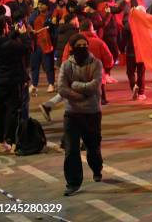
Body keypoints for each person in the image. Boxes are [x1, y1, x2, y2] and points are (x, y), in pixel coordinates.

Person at [57, 34, 104, 196]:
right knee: (71, 150)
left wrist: (75, 85)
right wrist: (80, 96)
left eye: (85, 45)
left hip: (92, 113)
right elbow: (62, 89)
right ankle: (73, 182)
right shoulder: (66, 65)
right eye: (79, 45)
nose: (83, 47)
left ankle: (97, 169)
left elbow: (95, 85)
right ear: (72, 48)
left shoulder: (96, 63)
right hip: (72, 113)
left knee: (93, 147)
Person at [0, 14, 31, 153]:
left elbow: (4, 41)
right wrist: (25, 35)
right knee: (12, 111)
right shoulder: (9, 45)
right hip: (12, 82)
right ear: (2, 29)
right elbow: (27, 48)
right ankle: (10, 139)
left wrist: (14, 33)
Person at [28, 0, 55, 95]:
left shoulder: (51, 16)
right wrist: (30, 30)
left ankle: (51, 84)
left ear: (47, 6)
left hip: (47, 44)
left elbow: (54, 30)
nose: (39, 6)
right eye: (39, 4)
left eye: (42, 4)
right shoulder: (34, 15)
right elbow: (29, 25)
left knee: (48, 65)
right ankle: (34, 85)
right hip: (36, 44)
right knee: (34, 66)